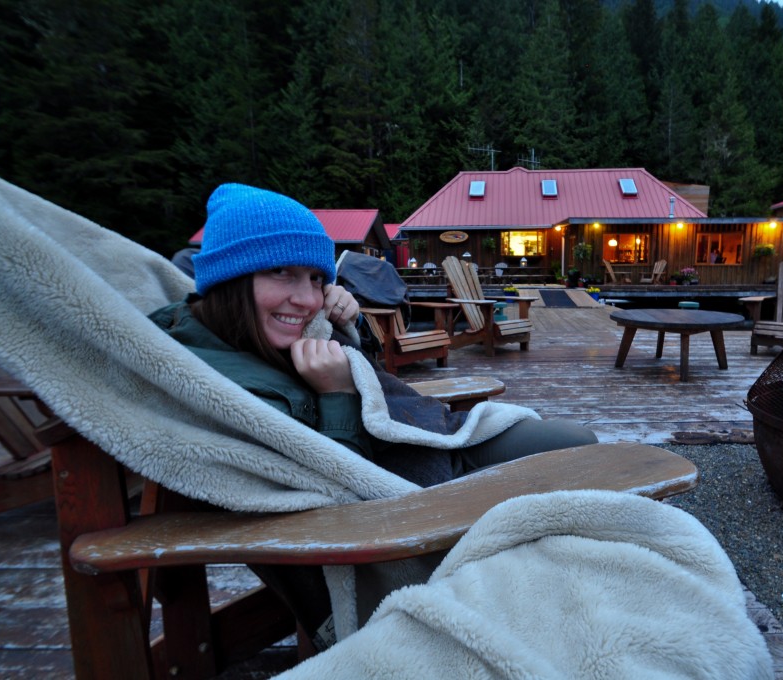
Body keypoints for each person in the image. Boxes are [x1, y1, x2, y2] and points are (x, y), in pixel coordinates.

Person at [148, 183, 598, 646]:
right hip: (406, 497)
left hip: (430, 444)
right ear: (229, 277)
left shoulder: (248, 331)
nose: (306, 300)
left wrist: (348, 325)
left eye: (315, 278)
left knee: (577, 446)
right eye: (282, 272)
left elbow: (373, 378)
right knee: (578, 466)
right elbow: (327, 502)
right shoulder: (215, 384)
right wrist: (337, 394)